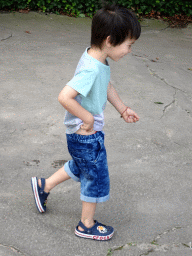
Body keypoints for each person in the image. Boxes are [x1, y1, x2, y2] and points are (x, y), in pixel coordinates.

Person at [31, 3, 141, 241]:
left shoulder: (97, 59)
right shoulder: (91, 69)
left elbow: (106, 85)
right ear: (110, 41)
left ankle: (44, 185)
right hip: (85, 134)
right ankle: (86, 224)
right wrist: (88, 118)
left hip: (85, 134)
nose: (129, 50)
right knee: (95, 176)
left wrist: (122, 109)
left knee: (82, 166)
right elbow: (64, 96)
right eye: (128, 45)